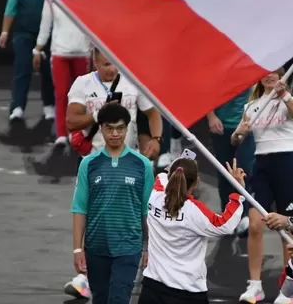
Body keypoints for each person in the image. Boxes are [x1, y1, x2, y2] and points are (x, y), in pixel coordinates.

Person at [63, 48, 162, 299]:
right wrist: (100, 113)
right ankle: (84, 275)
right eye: (106, 64)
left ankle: (129, 258)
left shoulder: (132, 82)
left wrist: (157, 139)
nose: (111, 69)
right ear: (94, 61)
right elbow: (71, 121)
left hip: (129, 162)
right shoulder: (82, 84)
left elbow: (152, 113)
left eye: (114, 64)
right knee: (96, 215)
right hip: (95, 158)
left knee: (131, 211)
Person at [231, 68, 293, 304]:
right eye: (265, 73)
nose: (270, 76)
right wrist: (238, 133)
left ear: (282, 76)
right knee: (255, 224)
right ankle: (255, 286)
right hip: (261, 166)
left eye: (275, 72)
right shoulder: (251, 106)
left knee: (287, 227)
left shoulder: (290, 101)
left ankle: (289, 287)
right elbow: (237, 139)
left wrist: (284, 95)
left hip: (286, 163)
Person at [71, 103, 155, 304]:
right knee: (100, 299)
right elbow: (80, 208)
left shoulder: (142, 165)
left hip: (128, 248)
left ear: (127, 128)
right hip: (95, 248)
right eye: (110, 128)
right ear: (101, 128)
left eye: (120, 128)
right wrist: (77, 249)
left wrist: (148, 248)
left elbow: (148, 211)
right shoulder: (88, 164)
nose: (115, 133)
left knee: (119, 299)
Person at [138, 155, 245, 304]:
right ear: (196, 183)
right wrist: (238, 192)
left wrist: (180, 161)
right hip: (187, 293)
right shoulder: (195, 212)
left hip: (152, 289)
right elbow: (224, 225)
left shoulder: (155, 197)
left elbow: (162, 176)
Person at [0, 0, 61, 122]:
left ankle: (49, 105)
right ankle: (17, 106)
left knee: (48, 72)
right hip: (24, 33)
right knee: (22, 68)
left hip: (49, 36)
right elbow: (11, 7)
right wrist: (4, 32)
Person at [34, 0, 90, 147]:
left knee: (83, 97)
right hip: (60, 54)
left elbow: (93, 27)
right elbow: (45, 25)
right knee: (61, 94)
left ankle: (80, 133)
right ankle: (61, 134)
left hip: (82, 54)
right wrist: (38, 48)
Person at [207, 86, 255, 236]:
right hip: (222, 127)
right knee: (225, 172)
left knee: (244, 169)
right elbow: (206, 92)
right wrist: (211, 117)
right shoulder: (218, 69)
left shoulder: (252, 67)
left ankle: (244, 214)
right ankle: (227, 215)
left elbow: (256, 94)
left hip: (246, 128)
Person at [155, 0, 186, 168]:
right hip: (161, 56)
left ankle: (176, 142)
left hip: (184, 56)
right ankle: (166, 149)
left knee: (180, 105)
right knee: (162, 104)